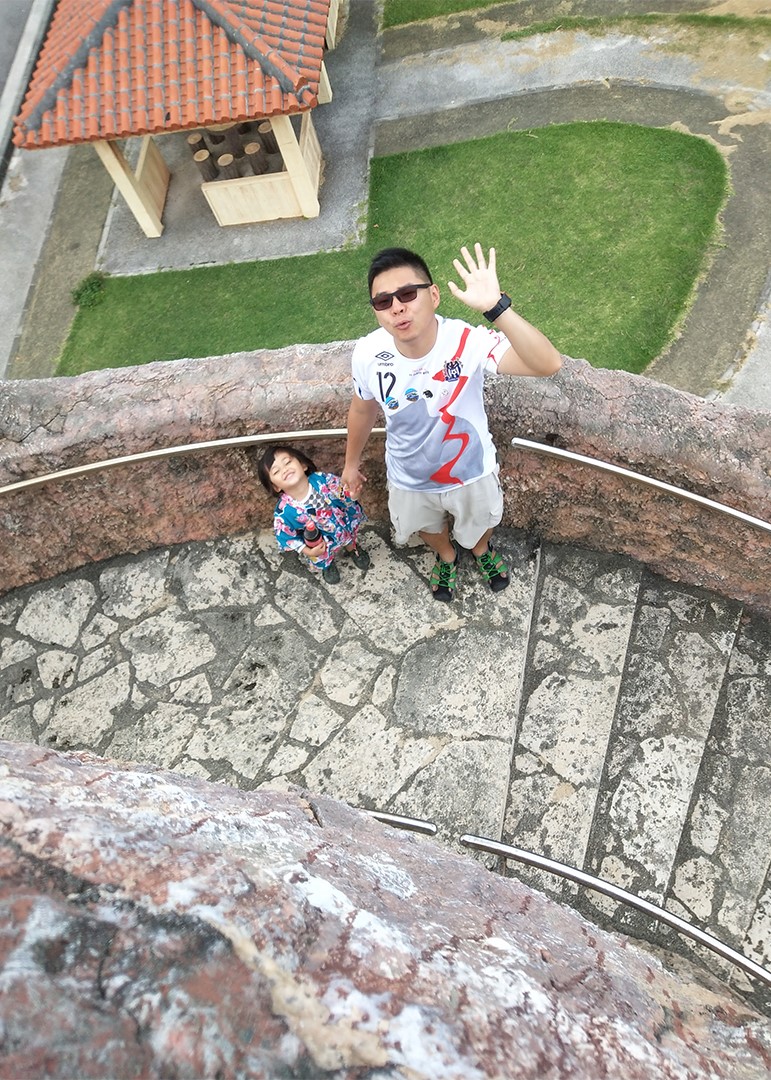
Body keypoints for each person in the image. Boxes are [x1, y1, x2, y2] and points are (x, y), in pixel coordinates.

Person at [341, 242, 562, 602]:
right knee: (425, 527)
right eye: (383, 301)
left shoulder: (466, 341)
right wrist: (350, 465)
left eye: (407, 294)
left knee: (480, 523)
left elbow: (547, 363)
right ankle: (446, 555)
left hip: (470, 472)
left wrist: (496, 307)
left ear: (433, 295)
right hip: (409, 477)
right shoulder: (368, 353)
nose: (397, 307)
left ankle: (480, 549)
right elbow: (362, 409)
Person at [257, 444, 370, 585]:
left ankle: (353, 549)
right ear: (276, 486)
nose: (285, 469)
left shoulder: (322, 480)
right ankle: (327, 565)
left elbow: (342, 492)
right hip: (319, 541)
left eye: (287, 462)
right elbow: (286, 536)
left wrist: (353, 494)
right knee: (322, 555)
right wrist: (308, 551)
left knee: (349, 537)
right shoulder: (283, 512)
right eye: (276, 471)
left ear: (303, 465)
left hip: (341, 523)